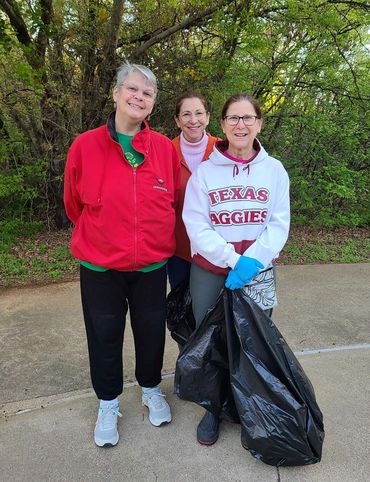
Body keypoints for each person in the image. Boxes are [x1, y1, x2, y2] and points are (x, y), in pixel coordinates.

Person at [64, 62, 180, 447]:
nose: (138, 97)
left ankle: (150, 389)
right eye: (132, 89)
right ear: (115, 93)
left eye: (147, 94)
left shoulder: (164, 148)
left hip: (150, 266)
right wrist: (105, 236)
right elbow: (73, 205)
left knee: (150, 333)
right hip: (100, 266)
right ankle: (108, 402)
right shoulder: (84, 145)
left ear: (153, 104)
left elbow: (175, 202)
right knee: (104, 335)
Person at [182, 93, 290, 445]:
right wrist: (232, 259)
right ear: (223, 125)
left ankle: (250, 409)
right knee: (210, 339)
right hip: (211, 271)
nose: (240, 125)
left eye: (248, 118)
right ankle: (213, 408)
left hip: (257, 272)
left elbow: (279, 222)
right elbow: (196, 224)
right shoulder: (205, 173)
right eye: (233, 119)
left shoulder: (274, 171)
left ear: (259, 123)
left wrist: (252, 262)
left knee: (253, 342)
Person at [167, 92, 219, 290]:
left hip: (216, 249)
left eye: (199, 113)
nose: (193, 120)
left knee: (212, 312)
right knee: (181, 312)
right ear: (177, 121)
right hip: (178, 250)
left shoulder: (223, 150)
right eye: (186, 114)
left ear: (207, 117)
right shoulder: (165, 151)